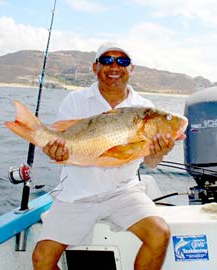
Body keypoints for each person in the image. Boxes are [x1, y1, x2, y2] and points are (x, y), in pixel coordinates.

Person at [32, 41, 185, 270]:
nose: (114, 66)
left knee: (160, 233)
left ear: (131, 69)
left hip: (124, 192)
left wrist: (159, 152)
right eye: (107, 60)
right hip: (77, 194)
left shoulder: (144, 107)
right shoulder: (74, 101)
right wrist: (54, 150)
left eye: (122, 61)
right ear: (95, 67)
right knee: (42, 259)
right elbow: (65, 148)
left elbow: (150, 163)